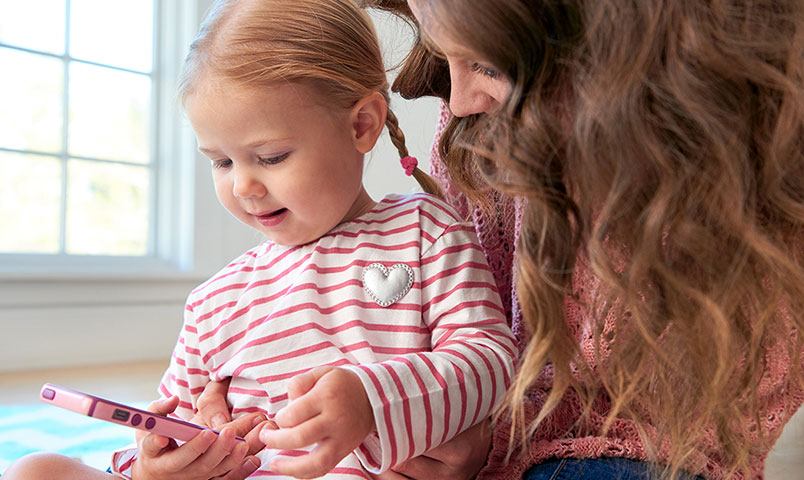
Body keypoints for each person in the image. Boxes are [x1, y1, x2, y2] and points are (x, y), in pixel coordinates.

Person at [1, 0, 518, 479]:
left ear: (362, 125)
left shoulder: (426, 231)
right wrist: (153, 466)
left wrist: (371, 400)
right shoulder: (214, 302)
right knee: (39, 468)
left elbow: (490, 357)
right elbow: (173, 427)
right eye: (221, 162)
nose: (243, 185)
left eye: (270, 157)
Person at [354, 0, 801, 479]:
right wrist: (450, 421)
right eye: (442, 53)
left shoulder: (737, 160)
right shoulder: (477, 130)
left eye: (486, 64)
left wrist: (492, 437)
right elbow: (474, 327)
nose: (459, 100)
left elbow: (715, 412)